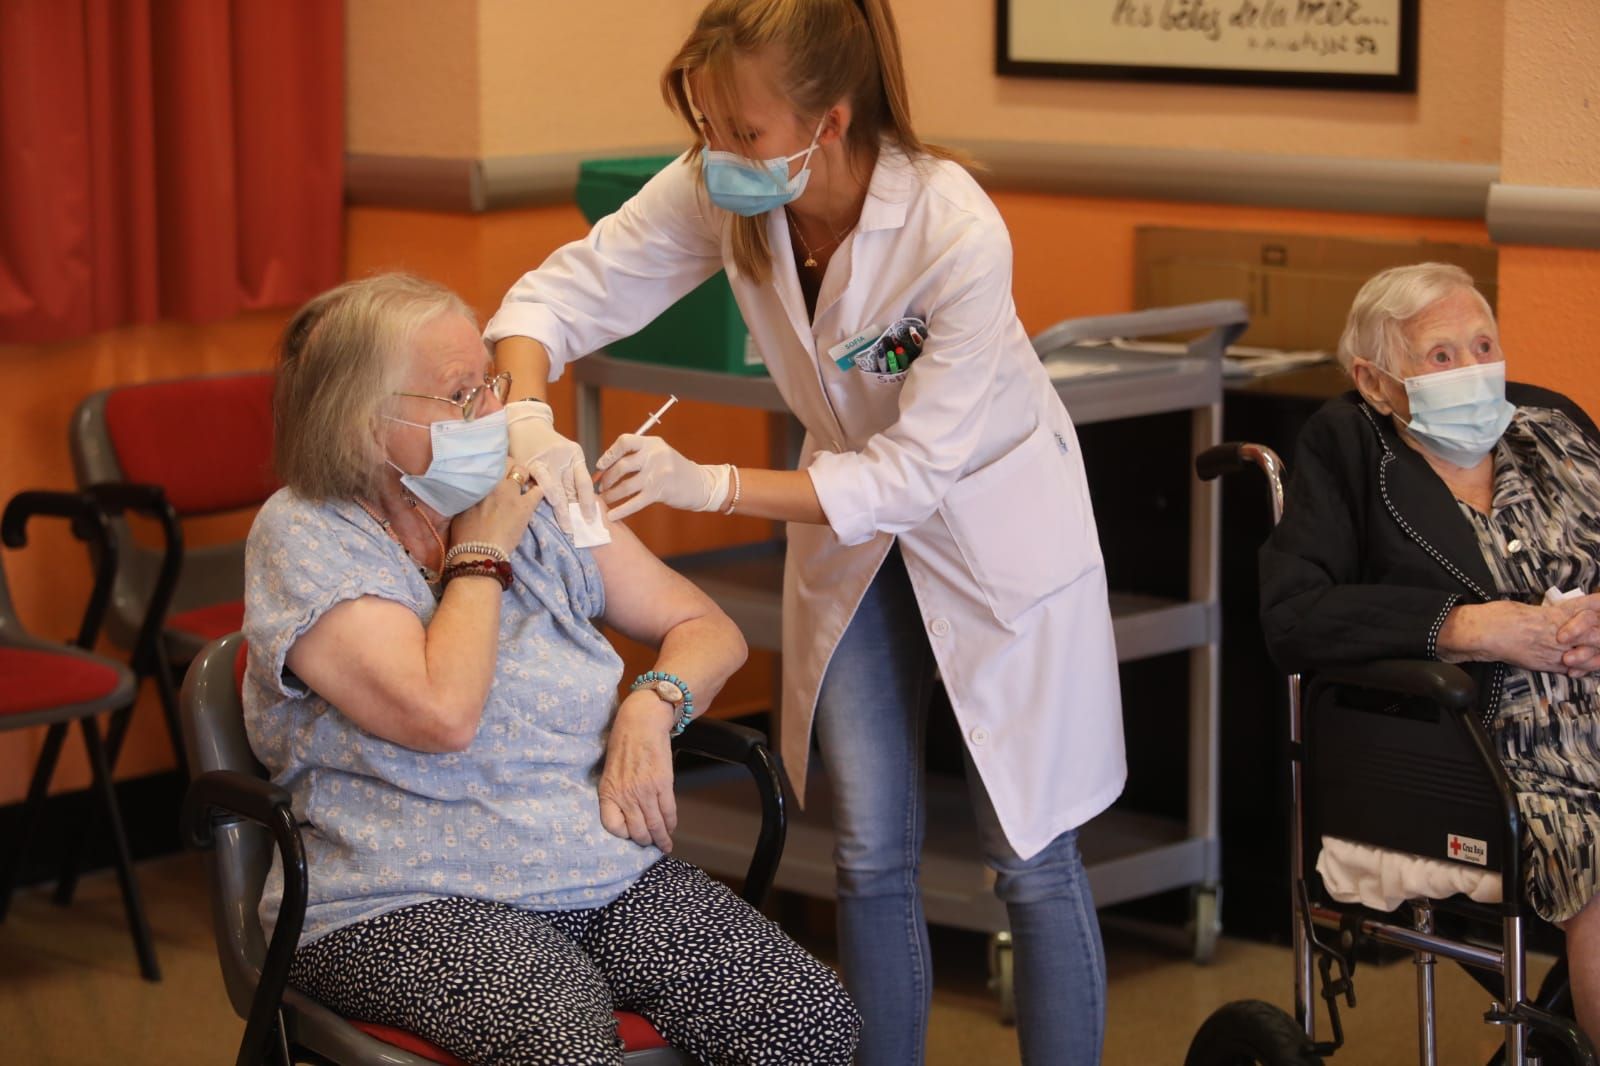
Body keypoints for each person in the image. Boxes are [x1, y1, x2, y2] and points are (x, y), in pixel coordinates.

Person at [482, 2, 1125, 1062]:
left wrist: (715, 482)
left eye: (745, 132)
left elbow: (914, 474)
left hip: (991, 537)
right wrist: (522, 413)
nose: (719, 154)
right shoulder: (722, 187)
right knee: (867, 850)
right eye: (709, 125)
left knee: (1031, 854)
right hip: (848, 538)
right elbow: (556, 295)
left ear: (828, 122)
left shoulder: (952, 228)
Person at [242, 273, 860, 1066]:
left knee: (805, 1015)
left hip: (595, 868)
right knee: (558, 1041)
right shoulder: (306, 535)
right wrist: (482, 549)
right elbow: (442, 715)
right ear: (363, 425)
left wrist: (653, 702)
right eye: (462, 396)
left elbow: (706, 628)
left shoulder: (529, 497)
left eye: (492, 384)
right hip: (398, 897)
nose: (497, 417)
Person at [1260, 262, 1600, 1045]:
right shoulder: (1351, 449)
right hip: (1482, 755)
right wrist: (1466, 626)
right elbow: (1295, 616)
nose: (1474, 370)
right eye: (1441, 356)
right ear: (1376, 381)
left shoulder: (1557, 432)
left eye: (1484, 344)